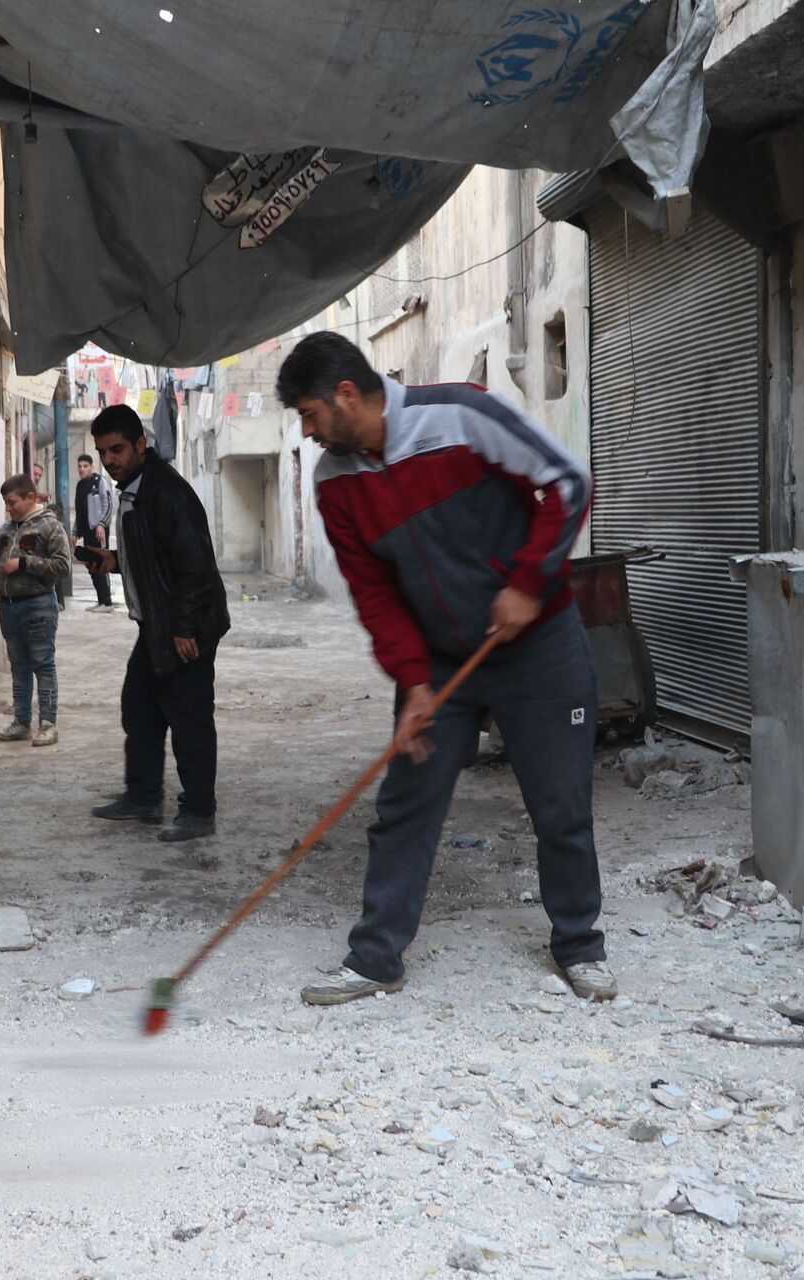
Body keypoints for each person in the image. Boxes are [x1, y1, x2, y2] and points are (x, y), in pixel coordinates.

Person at [275, 331, 616, 1004]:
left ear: (347, 395)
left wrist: (527, 582)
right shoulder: (335, 481)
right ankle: (376, 958)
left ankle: (579, 945)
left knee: (560, 803)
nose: (308, 432)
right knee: (405, 804)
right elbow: (373, 592)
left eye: (310, 414)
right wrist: (415, 680)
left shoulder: (461, 414)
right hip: (438, 658)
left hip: (536, 642)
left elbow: (568, 484)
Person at [83, 405, 229, 842]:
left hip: (185, 628)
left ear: (141, 446)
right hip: (157, 625)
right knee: (140, 708)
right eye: (102, 451)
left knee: (189, 720)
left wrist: (184, 628)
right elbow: (150, 557)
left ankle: (199, 812)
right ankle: (144, 797)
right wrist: (111, 562)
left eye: (117, 449)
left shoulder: (166, 493)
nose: (109, 459)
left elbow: (194, 566)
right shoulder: (134, 489)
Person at [0, 474, 72, 747]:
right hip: (9, 607)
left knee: (42, 665)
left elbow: (62, 566)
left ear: (30, 498)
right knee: (19, 667)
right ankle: (21, 722)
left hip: (38, 605)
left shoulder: (49, 527)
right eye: (6, 504)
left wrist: (24, 564)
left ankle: (48, 724)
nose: (9, 508)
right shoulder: (7, 529)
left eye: (13, 503)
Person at [72, 454, 116, 611]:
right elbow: (79, 511)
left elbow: (108, 503)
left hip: (99, 532)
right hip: (87, 532)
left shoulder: (99, 482)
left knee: (101, 563)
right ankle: (101, 601)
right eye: (79, 466)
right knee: (91, 566)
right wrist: (75, 531)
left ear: (92, 467)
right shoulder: (80, 486)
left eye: (85, 466)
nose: (82, 469)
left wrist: (102, 524)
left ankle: (107, 602)